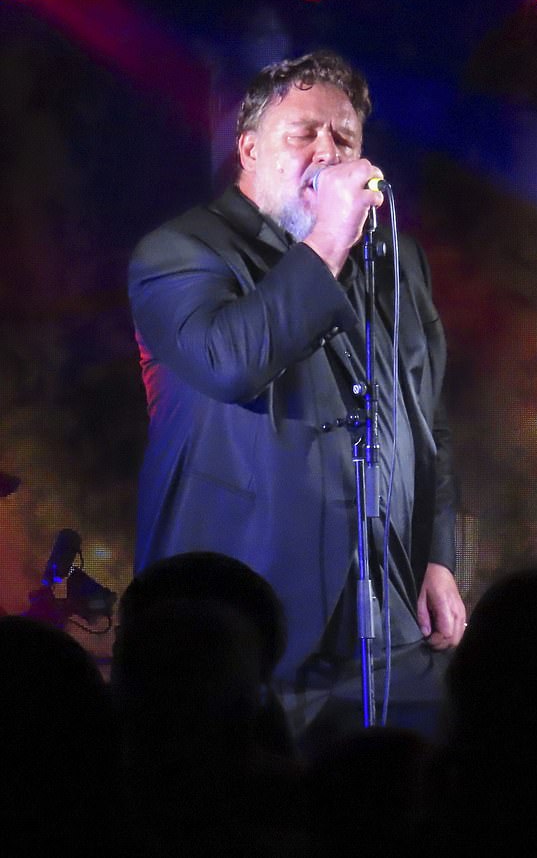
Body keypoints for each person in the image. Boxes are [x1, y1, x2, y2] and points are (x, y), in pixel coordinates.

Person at [128, 50, 466, 741]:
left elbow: (427, 416)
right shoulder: (181, 251)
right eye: (303, 133)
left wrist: (437, 554)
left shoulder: (397, 260)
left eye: (343, 138)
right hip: (244, 622)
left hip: (388, 612)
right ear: (249, 148)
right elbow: (231, 363)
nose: (326, 152)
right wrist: (327, 237)